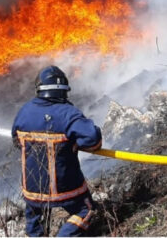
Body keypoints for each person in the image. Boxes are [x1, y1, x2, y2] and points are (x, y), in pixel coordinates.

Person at [12, 66, 102, 236]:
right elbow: (93, 140)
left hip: (32, 188)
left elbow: (16, 140)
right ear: (64, 91)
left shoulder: (24, 111)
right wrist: (74, 143)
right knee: (86, 210)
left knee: (35, 216)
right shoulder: (68, 113)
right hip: (64, 187)